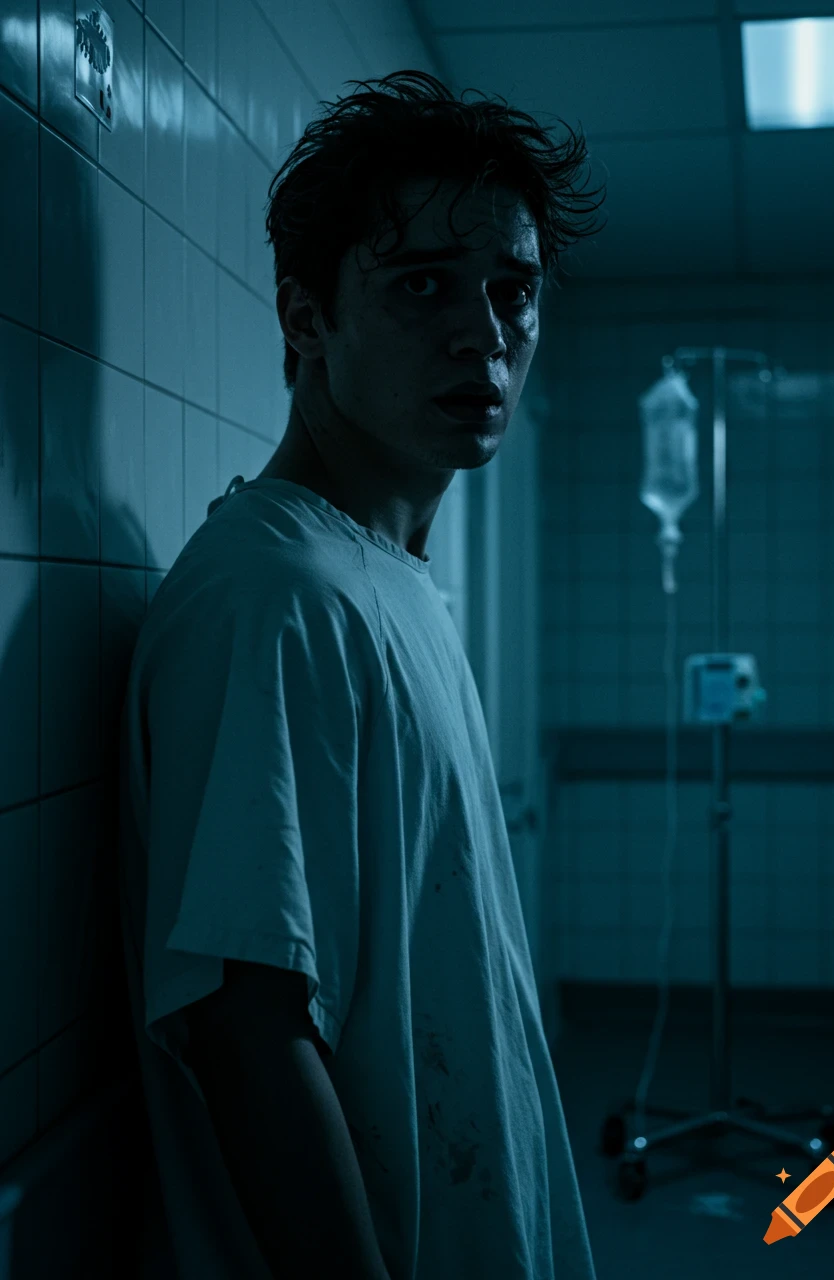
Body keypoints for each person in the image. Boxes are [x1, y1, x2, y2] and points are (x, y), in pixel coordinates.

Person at [118, 69, 606, 1279]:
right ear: (306, 319)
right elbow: (248, 1029)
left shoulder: (385, 579)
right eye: (422, 284)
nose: (482, 333)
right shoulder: (277, 595)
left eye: (511, 291)